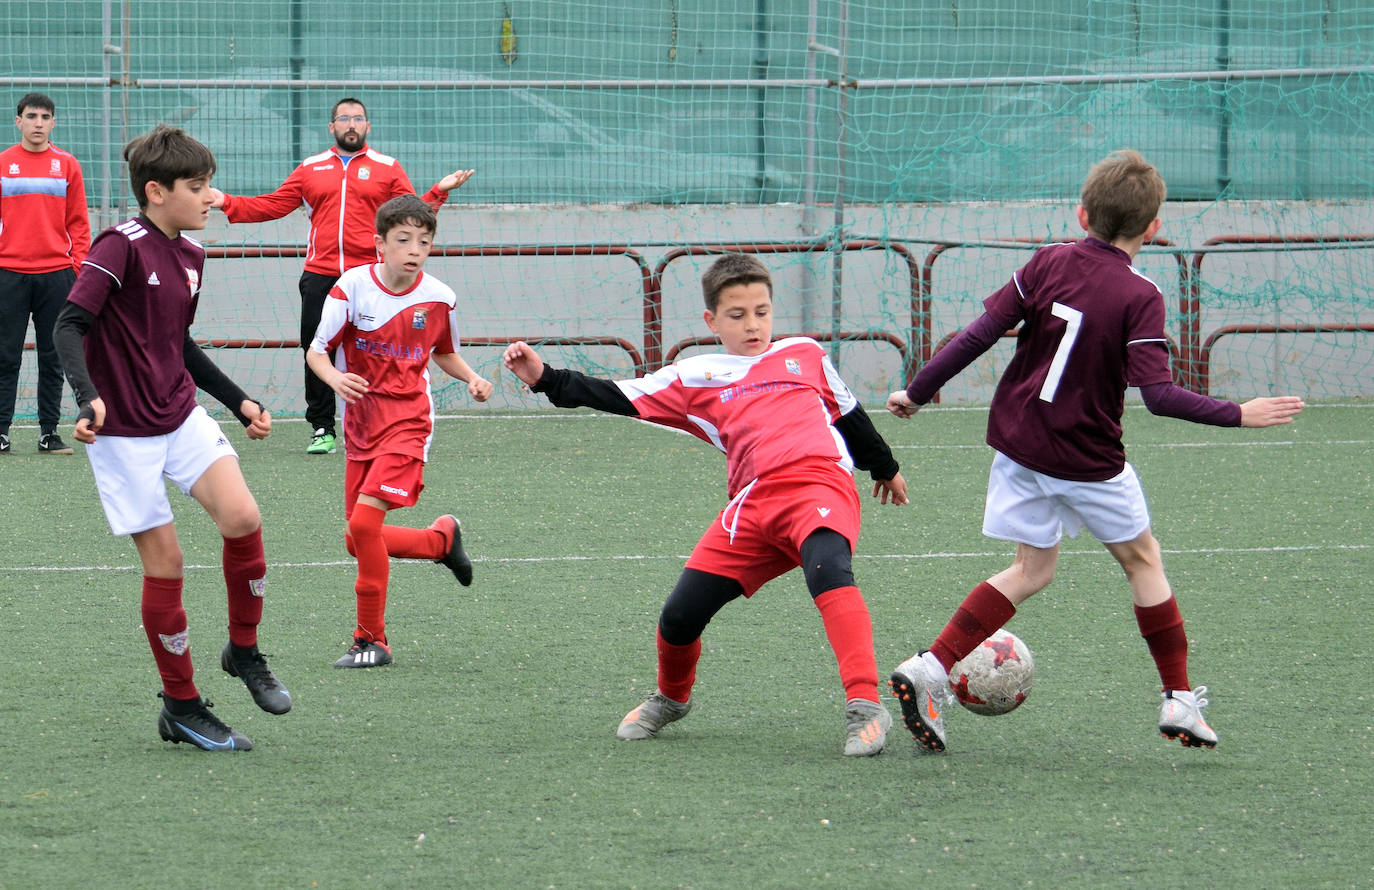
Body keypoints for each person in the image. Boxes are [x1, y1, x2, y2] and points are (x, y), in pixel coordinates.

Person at [885, 150, 1305, 753]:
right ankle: (1179, 701)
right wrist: (1238, 413)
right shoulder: (1142, 295)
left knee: (1033, 569)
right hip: (1087, 459)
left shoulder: (1048, 260)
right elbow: (1158, 397)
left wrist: (917, 391)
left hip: (1019, 445)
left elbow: (979, 334)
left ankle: (931, 667)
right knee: (1143, 561)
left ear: (1082, 214)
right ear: (1154, 228)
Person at [503, 253, 910, 757]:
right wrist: (544, 377)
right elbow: (616, 394)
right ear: (711, 322)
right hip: (753, 505)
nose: (753, 324)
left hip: (819, 484)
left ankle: (865, 706)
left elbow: (848, 412)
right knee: (679, 616)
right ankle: (672, 699)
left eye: (762, 311)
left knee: (829, 568)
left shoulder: (804, 353)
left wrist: (884, 467)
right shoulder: (695, 376)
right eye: (737, 316)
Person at [51, 125, 291, 752]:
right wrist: (86, 397)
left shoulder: (191, 254)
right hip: (124, 432)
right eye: (198, 186)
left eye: (209, 184)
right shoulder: (119, 245)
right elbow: (70, 324)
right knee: (169, 565)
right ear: (155, 192)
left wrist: (238, 400)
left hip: (178, 414)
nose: (211, 197)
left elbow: (177, 343)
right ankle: (181, 706)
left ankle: (243, 650)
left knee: (243, 518)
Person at [209, 96, 474, 455]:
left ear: (368, 126)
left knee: (369, 351)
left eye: (358, 118)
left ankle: (372, 422)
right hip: (319, 275)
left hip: (369, 278)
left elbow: (410, 214)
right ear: (332, 127)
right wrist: (225, 201)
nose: (352, 124)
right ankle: (322, 428)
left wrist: (438, 193)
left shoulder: (387, 167)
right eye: (344, 118)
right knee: (317, 349)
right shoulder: (310, 167)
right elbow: (274, 204)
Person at [306, 193, 493, 668]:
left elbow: (443, 352)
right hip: (360, 424)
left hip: (409, 423)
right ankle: (440, 543)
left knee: (366, 526)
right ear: (380, 245)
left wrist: (471, 377)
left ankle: (371, 640)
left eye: (424, 242)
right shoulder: (351, 288)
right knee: (355, 538)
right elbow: (317, 351)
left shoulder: (439, 297)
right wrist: (334, 379)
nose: (414, 249)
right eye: (404, 239)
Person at [0, 92, 91, 455]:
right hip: (9, 274)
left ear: (53, 123)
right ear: (18, 121)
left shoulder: (67, 165)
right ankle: (2, 431)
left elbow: (79, 223)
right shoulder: (3, 163)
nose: (38, 123)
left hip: (57, 276)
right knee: (5, 356)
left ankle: (49, 433)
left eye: (45, 117)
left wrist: (77, 269)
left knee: (53, 356)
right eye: (31, 116)